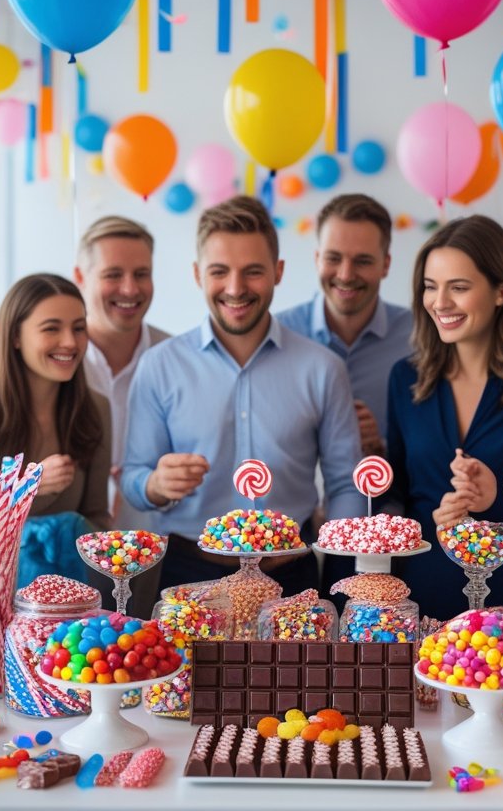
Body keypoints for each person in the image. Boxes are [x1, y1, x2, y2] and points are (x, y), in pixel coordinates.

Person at [122, 195, 366, 592]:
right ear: (199, 273)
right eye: (220, 271)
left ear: (278, 272)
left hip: (293, 577)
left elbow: (345, 484)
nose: (235, 289)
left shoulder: (322, 368)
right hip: (190, 573)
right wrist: (155, 484)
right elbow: (133, 476)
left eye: (253, 272)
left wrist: (344, 567)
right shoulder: (159, 365)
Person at [385, 215, 503, 620]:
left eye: (459, 287)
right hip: (419, 594)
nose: (440, 302)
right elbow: (394, 490)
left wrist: (498, 497)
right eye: (431, 287)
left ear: (501, 291)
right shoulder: (405, 379)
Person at [0, 274, 112, 590]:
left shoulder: (96, 409)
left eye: (78, 328)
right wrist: (23, 488)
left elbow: (96, 519)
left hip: (74, 607)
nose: (71, 342)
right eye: (51, 328)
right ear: (15, 336)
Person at [72, 216, 169, 615]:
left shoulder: (175, 358)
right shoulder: (56, 360)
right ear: (81, 276)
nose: (129, 289)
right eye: (113, 274)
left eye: (141, 274)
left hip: (156, 555)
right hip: (71, 558)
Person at [277, 194, 413, 457]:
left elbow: (432, 449)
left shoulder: (420, 338)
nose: (346, 275)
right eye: (333, 258)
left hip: (387, 497)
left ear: (385, 265)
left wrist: (381, 447)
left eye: (362, 261)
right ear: (317, 259)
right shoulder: (276, 335)